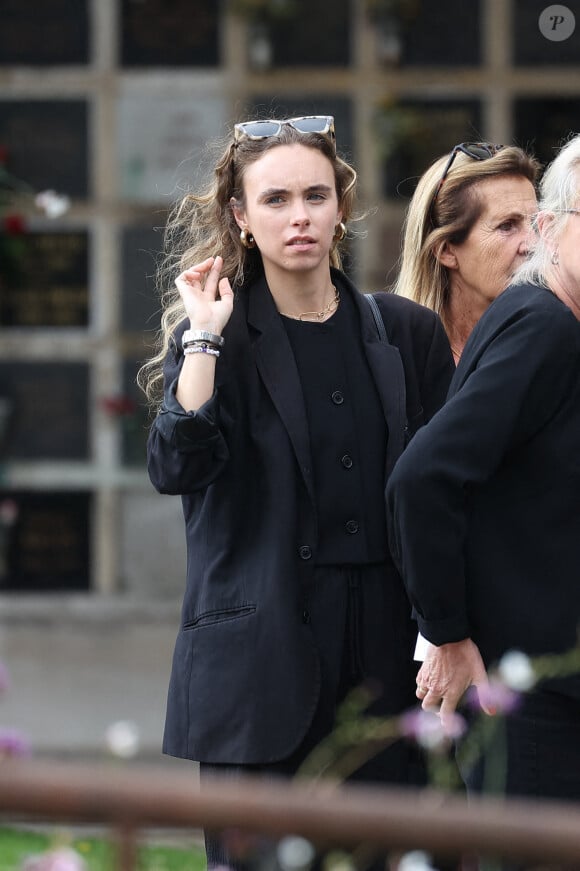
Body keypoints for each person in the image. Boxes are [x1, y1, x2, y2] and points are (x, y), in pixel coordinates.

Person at [139, 114, 454, 867]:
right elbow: (175, 467)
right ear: (241, 218)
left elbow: (445, 494)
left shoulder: (403, 333)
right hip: (261, 666)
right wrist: (204, 336)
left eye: (315, 195)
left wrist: (448, 627)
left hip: (385, 666)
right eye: (275, 199)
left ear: (341, 207)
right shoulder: (216, 339)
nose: (300, 216)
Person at [386, 133, 580, 802]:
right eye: (508, 224)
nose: (522, 239)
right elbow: (421, 478)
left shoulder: (540, 317)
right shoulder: (543, 324)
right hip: (522, 701)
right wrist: (447, 632)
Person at [393, 142, 539, 364]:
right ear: (447, 250)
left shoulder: (553, 347)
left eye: (537, 224)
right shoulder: (394, 359)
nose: (534, 244)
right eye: (507, 225)